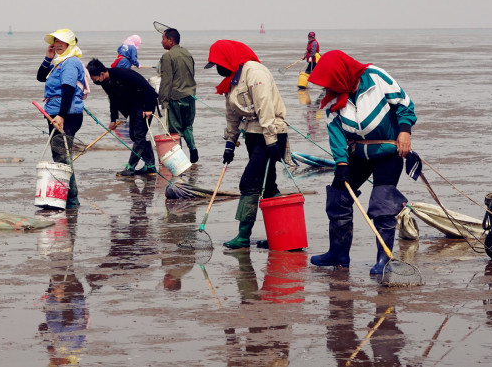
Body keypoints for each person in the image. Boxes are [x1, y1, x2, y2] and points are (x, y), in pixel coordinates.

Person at [307, 50, 416, 275]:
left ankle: (383, 258)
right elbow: (335, 132)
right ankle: (338, 253)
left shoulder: (376, 77)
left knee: (382, 203)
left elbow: (404, 104)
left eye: (331, 83)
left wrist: (404, 132)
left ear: (341, 75)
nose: (328, 88)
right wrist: (341, 164)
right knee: (338, 196)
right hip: (359, 152)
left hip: (388, 151)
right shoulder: (334, 97)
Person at [205, 40, 289, 250]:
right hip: (252, 133)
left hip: (272, 132)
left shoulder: (255, 73)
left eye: (218, 63)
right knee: (268, 185)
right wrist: (230, 143)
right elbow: (232, 115)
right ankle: (281, 235)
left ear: (228, 59)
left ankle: (243, 236)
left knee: (249, 182)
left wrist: (271, 142)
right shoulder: (231, 80)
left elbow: (265, 109)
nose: (217, 69)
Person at [36, 29, 87, 211]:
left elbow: (68, 90)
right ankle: (67, 197)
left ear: (70, 45)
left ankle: (71, 199)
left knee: (63, 156)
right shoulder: (58, 62)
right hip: (57, 113)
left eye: (61, 42)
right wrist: (48, 58)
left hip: (66, 115)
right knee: (60, 155)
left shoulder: (70, 63)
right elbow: (41, 77)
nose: (57, 45)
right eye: (55, 41)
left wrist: (61, 115)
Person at [86, 58, 158, 176]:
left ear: (102, 74)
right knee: (133, 136)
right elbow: (113, 99)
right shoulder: (104, 82)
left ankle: (130, 168)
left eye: (94, 79)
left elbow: (148, 89)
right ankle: (150, 166)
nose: (94, 82)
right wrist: (113, 120)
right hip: (134, 107)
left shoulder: (123, 74)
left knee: (139, 136)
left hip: (145, 104)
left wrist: (148, 108)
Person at [157, 27, 198, 163]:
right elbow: (192, 74)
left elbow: (166, 80)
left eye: (163, 39)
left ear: (171, 40)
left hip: (175, 97)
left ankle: (179, 161)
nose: (161, 42)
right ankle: (192, 148)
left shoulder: (168, 56)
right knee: (187, 126)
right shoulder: (187, 53)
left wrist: (162, 100)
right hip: (190, 96)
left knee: (174, 130)